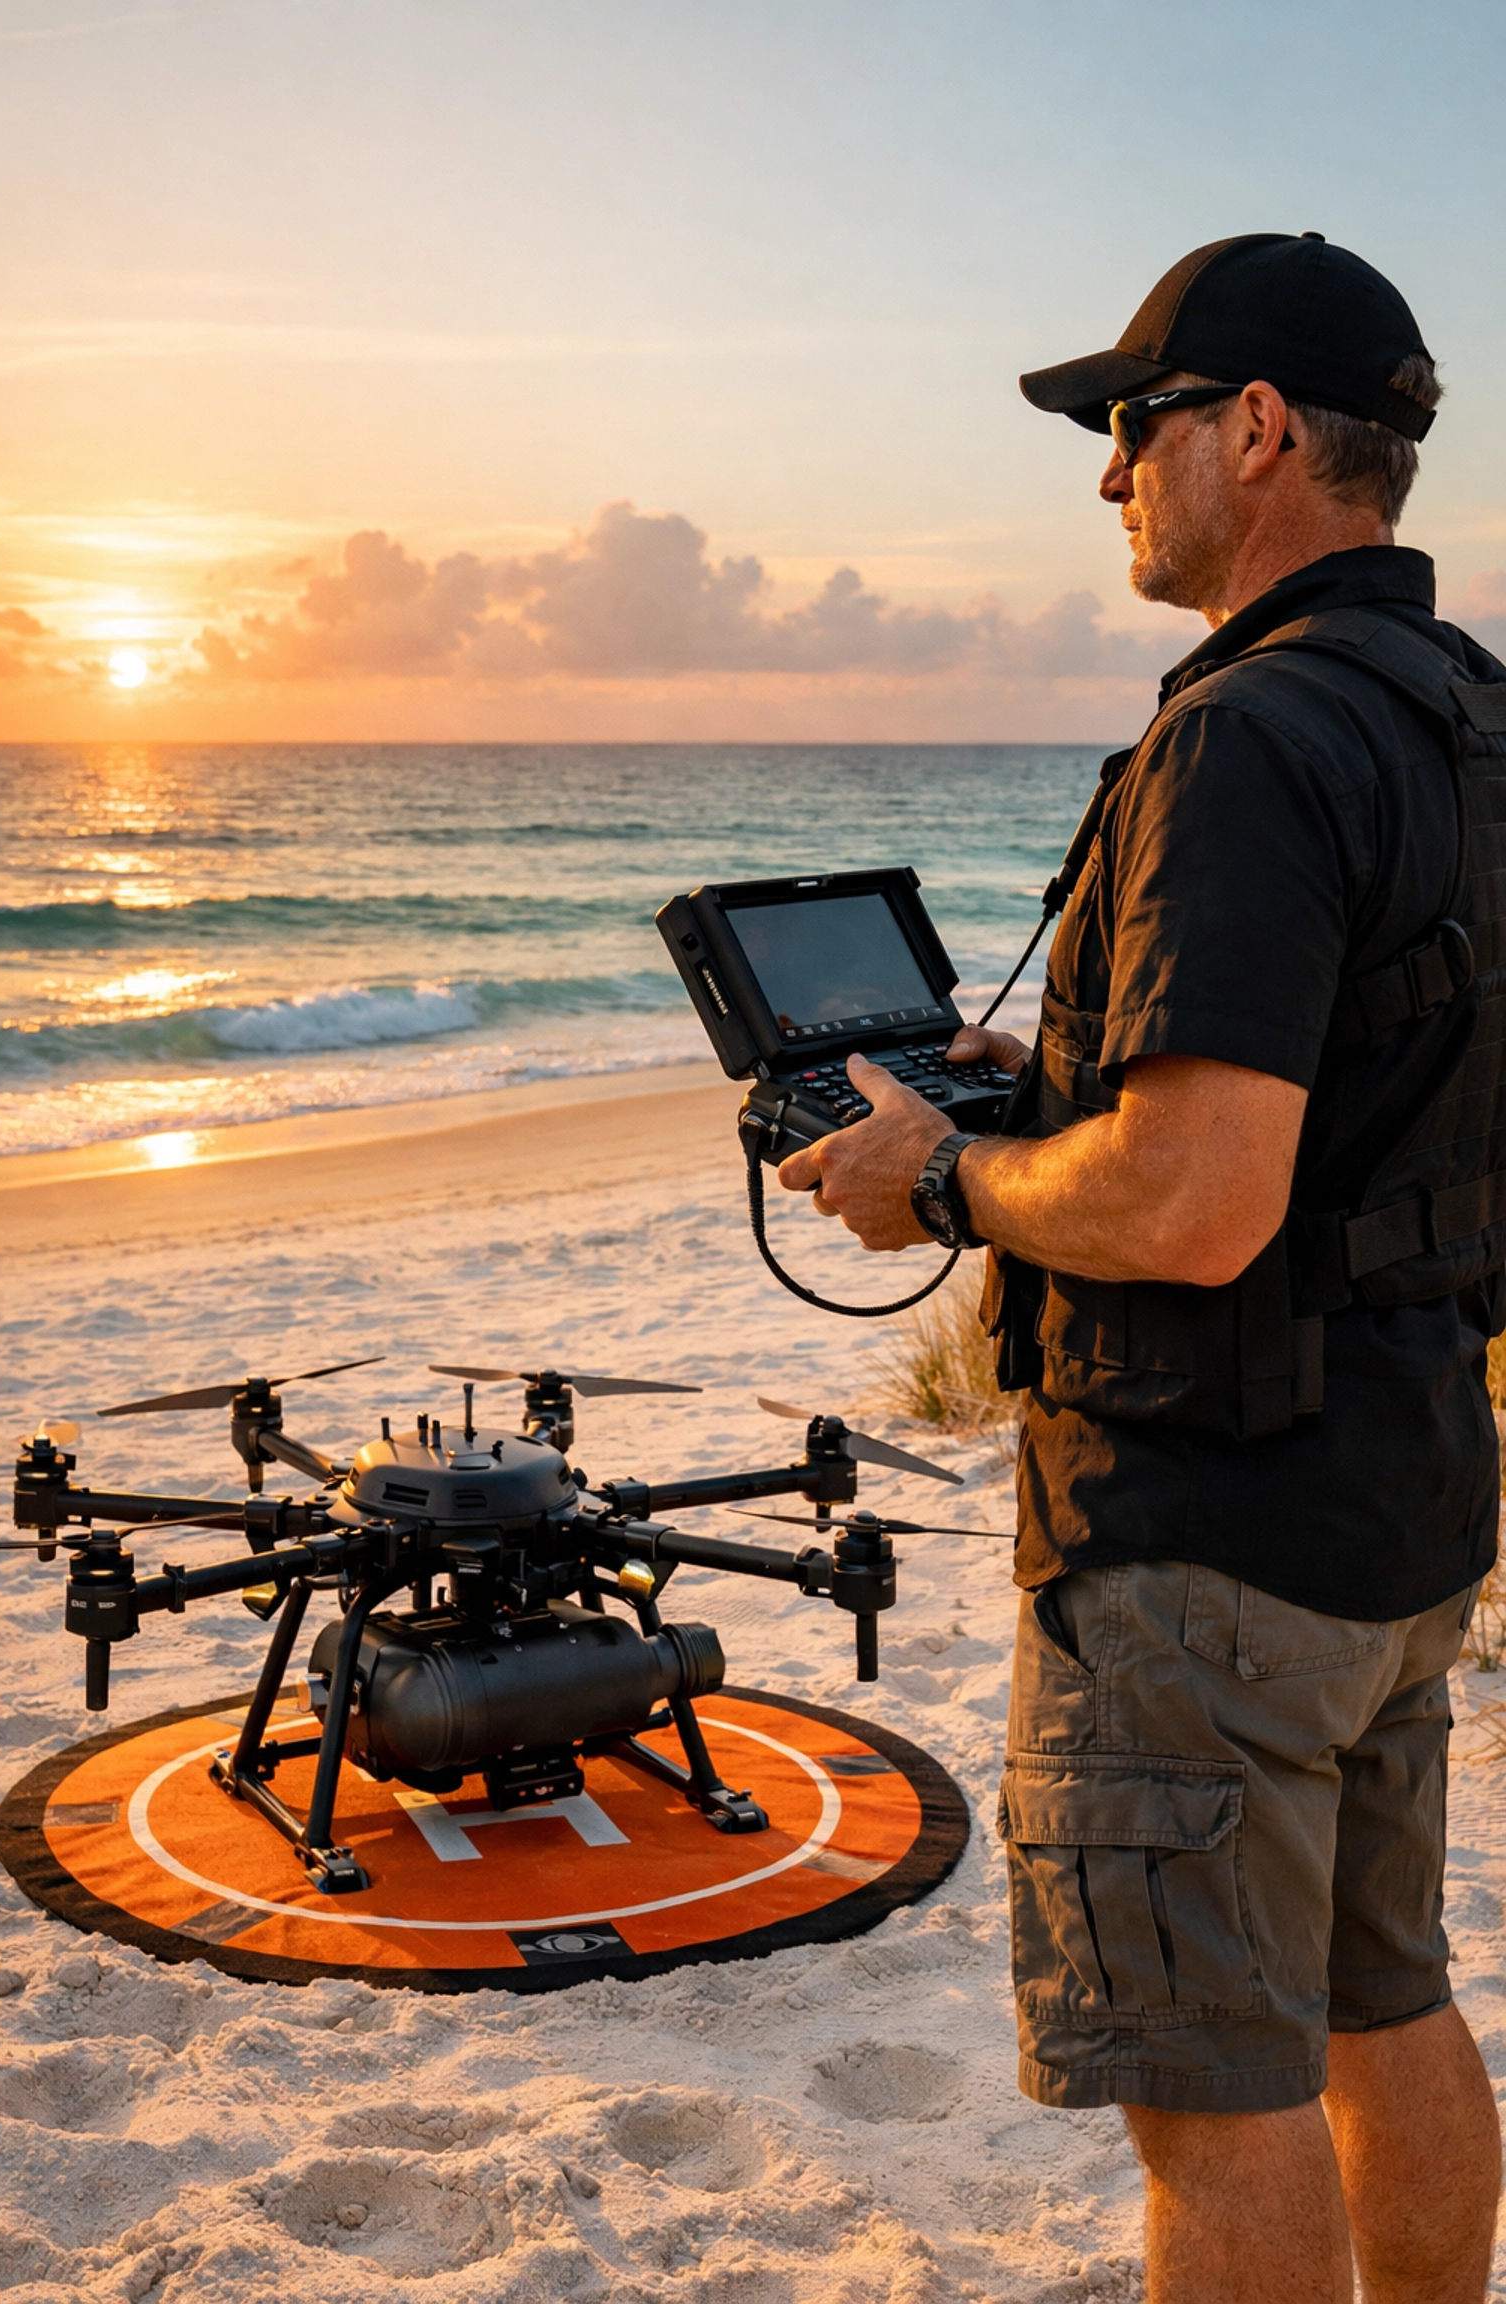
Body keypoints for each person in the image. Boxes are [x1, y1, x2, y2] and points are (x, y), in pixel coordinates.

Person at [778, 233, 1506, 2304]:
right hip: (1403, 1500)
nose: (1110, 476)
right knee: (1384, 2002)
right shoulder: (1467, 713)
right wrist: (1063, 1078)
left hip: (1208, 1526)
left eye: (1133, 425)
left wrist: (945, 1181)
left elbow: (1195, 1207)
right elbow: (1392, 1067)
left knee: (1218, 2096)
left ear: (1258, 430)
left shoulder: (1249, 738)